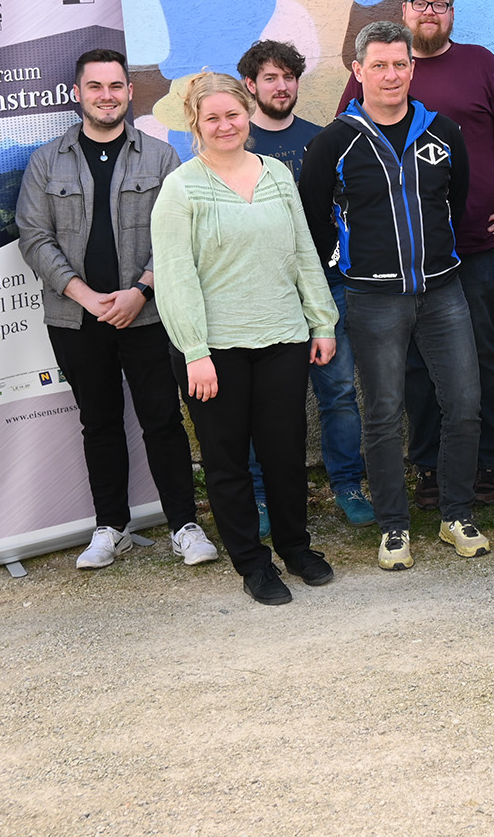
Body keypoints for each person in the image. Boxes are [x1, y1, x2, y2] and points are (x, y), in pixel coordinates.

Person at [16, 48, 217, 571]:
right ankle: (111, 526)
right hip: (76, 318)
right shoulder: (46, 161)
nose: (107, 96)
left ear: (130, 93)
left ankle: (184, 525)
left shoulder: (160, 157)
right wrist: (84, 295)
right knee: (98, 423)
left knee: (162, 419)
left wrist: (140, 292)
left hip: (148, 315)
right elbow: (34, 236)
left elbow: (180, 234)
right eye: (96, 87)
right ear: (77, 94)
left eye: (116, 86)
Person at [302, 22, 487, 571]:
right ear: (358, 71)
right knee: (382, 412)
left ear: (413, 68)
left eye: (400, 64)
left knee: (465, 405)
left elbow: (457, 199)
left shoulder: (443, 132)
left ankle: (457, 514)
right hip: (372, 298)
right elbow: (314, 229)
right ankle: (394, 527)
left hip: (443, 290)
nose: (391, 75)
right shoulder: (334, 142)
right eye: (378, 65)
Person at [338, 0, 494, 507]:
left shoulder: (481, 64)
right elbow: (344, 143)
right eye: (419, 4)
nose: (429, 13)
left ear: (451, 12)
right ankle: (429, 467)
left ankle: (490, 462)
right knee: (416, 364)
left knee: (483, 355)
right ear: (404, 11)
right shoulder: (380, 68)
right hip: (403, 255)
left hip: (477, 246)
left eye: (439, 4)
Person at [151, 74, 338, 605]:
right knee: (227, 459)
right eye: (212, 118)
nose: (224, 125)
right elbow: (174, 275)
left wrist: (320, 321)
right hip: (216, 350)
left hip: (282, 337)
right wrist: (195, 352)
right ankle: (252, 563)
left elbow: (303, 250)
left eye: (232, 114)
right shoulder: (181, 188)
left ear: (247, 113)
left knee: (284, 454)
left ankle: (296, 548)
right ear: (196, 124)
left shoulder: (276, 174)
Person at [240, 39, 371, 529]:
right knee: (267, 401)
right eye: (270, 78)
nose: (281, 86)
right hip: (263, 295)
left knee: (338, 393)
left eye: (288, 77)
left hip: (328, 288)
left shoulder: (327, 139)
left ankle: (348, 485)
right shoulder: (240, 144)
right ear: (251, 86)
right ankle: (261, 495)